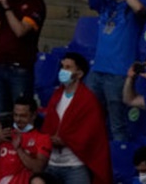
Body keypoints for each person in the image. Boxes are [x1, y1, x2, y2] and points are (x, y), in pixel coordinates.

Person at [69, 0, 144, 142]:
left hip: (119, 74)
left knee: (118, 126)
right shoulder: (104, 2)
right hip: (97, 72)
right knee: (90, 122)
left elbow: (139, 8)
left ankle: (119, 163)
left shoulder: (131, 7)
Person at [41, 52, 112, 184]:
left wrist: (66, 140)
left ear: (79, 74)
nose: (63, 70)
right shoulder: (56, 96)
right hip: (52, 164)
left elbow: (91, 133)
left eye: (68, 67)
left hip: (75, 166)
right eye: (62, 67)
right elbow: (49, 125)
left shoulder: (88, 100)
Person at [0, 95, 51, 183]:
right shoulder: (6, 133)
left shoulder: (42, 138)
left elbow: (38, 168)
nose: (18, 119)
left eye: (23, 116)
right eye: (15, 115)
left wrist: (19, 149)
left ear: (34, 115)